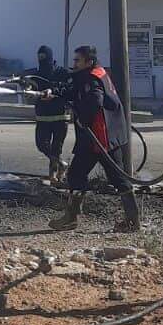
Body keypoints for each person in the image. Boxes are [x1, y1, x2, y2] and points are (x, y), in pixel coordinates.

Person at [50, 44, 140, 232]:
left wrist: (81, 115)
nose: (73, 64)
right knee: (118, 179)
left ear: (88, 62)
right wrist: (55, 94)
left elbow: (94, 101)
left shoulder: (91, 79)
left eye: (77, 61)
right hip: (107, 138)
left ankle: (71, 218)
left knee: (77, 174)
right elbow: (75, 91)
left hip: (98, 139)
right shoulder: (97, 73)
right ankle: (132, 222)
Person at [32, 45, 70, 185]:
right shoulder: (36, 75)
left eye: (44, 58)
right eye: (40, 58)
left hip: (60, 116)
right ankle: (62, 164)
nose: (42, 61)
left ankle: (53, 177)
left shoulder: (61, 72)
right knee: (41, 144)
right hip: (42, 117)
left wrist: (53, 91)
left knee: (56, 148)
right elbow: (31, 88)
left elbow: (68, 88)